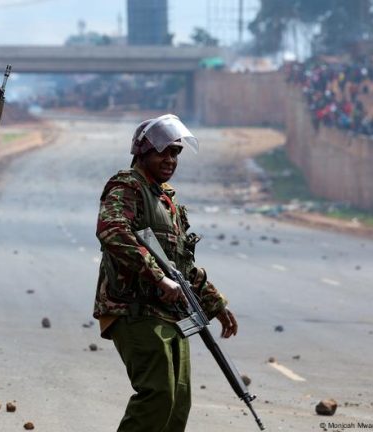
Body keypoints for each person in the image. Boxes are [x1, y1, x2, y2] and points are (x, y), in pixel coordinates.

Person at [94, 114, 238, 432]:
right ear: (142, 153)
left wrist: (216, 304)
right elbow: (112, 230)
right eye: (163, 152)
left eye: (175, 153)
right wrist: (157, 277)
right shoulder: (127, 186)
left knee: (178, 402)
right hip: (134, 309)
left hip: (170, 314)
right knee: (157, 394)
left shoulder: (167, 200)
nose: (170, 160)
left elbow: (182, 266)